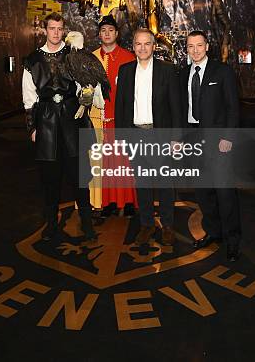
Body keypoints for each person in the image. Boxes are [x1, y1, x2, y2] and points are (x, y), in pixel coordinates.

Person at [22, 12, 96, 242]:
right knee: (50, 177)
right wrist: (32, 128)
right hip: (45, 121)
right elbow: (29, 98)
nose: (55, 33)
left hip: (72, 120)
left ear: (64, 29)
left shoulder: (73, 55)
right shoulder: (32, 60)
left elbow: (86, 85)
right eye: (51, 28)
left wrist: (86, 98)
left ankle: (86, 221)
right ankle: (51, 224)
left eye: (59, 28)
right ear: (45, 30)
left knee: (79, 175)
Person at [115, 28, 182, 246]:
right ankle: (146, 224)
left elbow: (176, 108)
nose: (142, 48)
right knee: (142, 183)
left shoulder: (167, 71)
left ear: (154, 46)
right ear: (133, 46)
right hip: (135, 135)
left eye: (147, 44)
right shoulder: (125, 71)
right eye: (138, 44)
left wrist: (176, 138)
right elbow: (121, 106)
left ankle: (168, 225)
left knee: (164, 183)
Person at [179, 30, 241, 262]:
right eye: (190, 46)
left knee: (225, 193)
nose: (195, 50)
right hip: (193, 141)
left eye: (199, 45)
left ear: (207, 47)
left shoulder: (222, 71)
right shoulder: (183, 73)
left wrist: (228, 137)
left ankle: (233, 241)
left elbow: (233, 107)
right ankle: (214, 232)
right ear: (187, 49)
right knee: (203, 193)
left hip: (218, 142)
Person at [89, 14, 137, 217]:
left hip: (122, 119)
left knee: (125, 162)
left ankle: (128, 202)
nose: (107, 34)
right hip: (99, 120)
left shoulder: (129, 57)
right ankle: (107, 202)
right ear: (99, 35)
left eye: (110, 30)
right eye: (103, 31)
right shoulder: (91, 58)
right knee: (105, 163)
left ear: (117, 33)